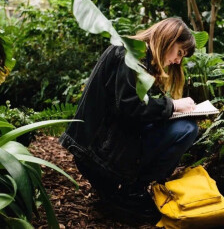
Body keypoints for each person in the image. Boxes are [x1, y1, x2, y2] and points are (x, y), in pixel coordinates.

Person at [59, 17, 199, 221]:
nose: (178, 61)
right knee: (186, 129)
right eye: (179, 52)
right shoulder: (127, 54)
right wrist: (174, 106)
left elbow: (130, 108)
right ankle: (130, 189)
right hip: (99, 157)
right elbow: (129, 106)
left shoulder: (136, 55)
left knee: (183, 126)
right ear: (168, 39)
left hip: (103, 151)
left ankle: (128, 190)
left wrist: (169, 110)